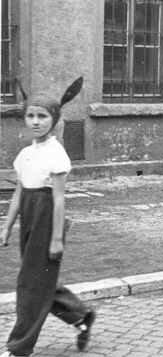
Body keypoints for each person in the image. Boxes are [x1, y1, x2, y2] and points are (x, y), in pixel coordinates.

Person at [0, 78, 95, 357]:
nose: (36, 121)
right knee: (39, 281)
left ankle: (19, 347)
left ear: (53, 119)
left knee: (30, 284)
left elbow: (58, 200)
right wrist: (6, 227)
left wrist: (56, 239)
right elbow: (19, 193)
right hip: (29, 219)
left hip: (46, 221)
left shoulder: (56, 153)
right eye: (31, 115)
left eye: (43, 116)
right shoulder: (26, 153)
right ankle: (81, 315)